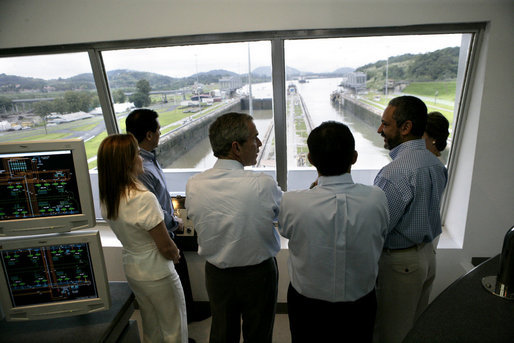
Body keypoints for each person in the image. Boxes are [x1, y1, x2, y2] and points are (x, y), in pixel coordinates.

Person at [279, 121, 390, 343]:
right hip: (361, 303)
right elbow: (383, 231)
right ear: (354, 157)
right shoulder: (376, 198)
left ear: (310, 159)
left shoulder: (292, 201)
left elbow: (285, 230)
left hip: (307, 304)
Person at [185, 112, 283, 343]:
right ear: (236, 147)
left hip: (218, 275)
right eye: (254, 138)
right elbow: (283, 216)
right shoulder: (263, 184)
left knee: (221, 333)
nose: (259, 144)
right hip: (258, 275)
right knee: (259, 334)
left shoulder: (194, 184)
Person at [97, 134, 187, 343]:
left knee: (151, 324)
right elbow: (165, 245)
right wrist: (175, 254)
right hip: (157, 272)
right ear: (127, 162)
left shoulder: (108, 197)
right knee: (174, 327)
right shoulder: (143, 198)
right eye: (137, 154)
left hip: (133, 269)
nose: (141, 159)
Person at [374, 96, 448, 343]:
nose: (379, 130)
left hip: (400, 266)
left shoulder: (394, 173)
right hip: (427, 257)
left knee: (392, 334)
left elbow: (379, 229)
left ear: (405, 128)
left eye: (385, 124)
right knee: (414, 328)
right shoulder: (435, 164)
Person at [125, 108, 199, 325]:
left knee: (183, 281)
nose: (160, 134)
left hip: (167, 231)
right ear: (149, 134)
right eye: (158, 130)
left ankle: (191, 316)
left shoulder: (149, 159)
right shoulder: (143, 168)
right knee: (172, 299)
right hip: (162, 237)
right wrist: (174, 222)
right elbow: (152, 208)